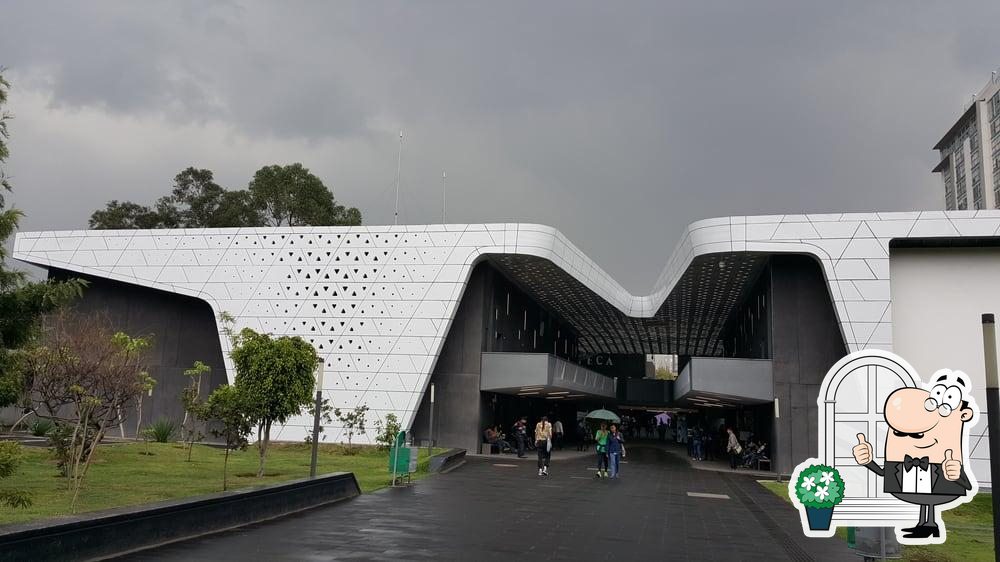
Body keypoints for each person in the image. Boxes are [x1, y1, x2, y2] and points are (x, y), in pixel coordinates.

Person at [852, 369, 976, 539]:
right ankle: (926, 525)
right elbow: (884, 473)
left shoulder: (946, 460)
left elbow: (967, 485)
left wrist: (956, 475)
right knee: (926, 501)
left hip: (938, 484)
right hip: (912, 486)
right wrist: (867, 461)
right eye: (900, 433)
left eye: (917, 434)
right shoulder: (900, 463)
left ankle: (930, 525)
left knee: (930, 499)